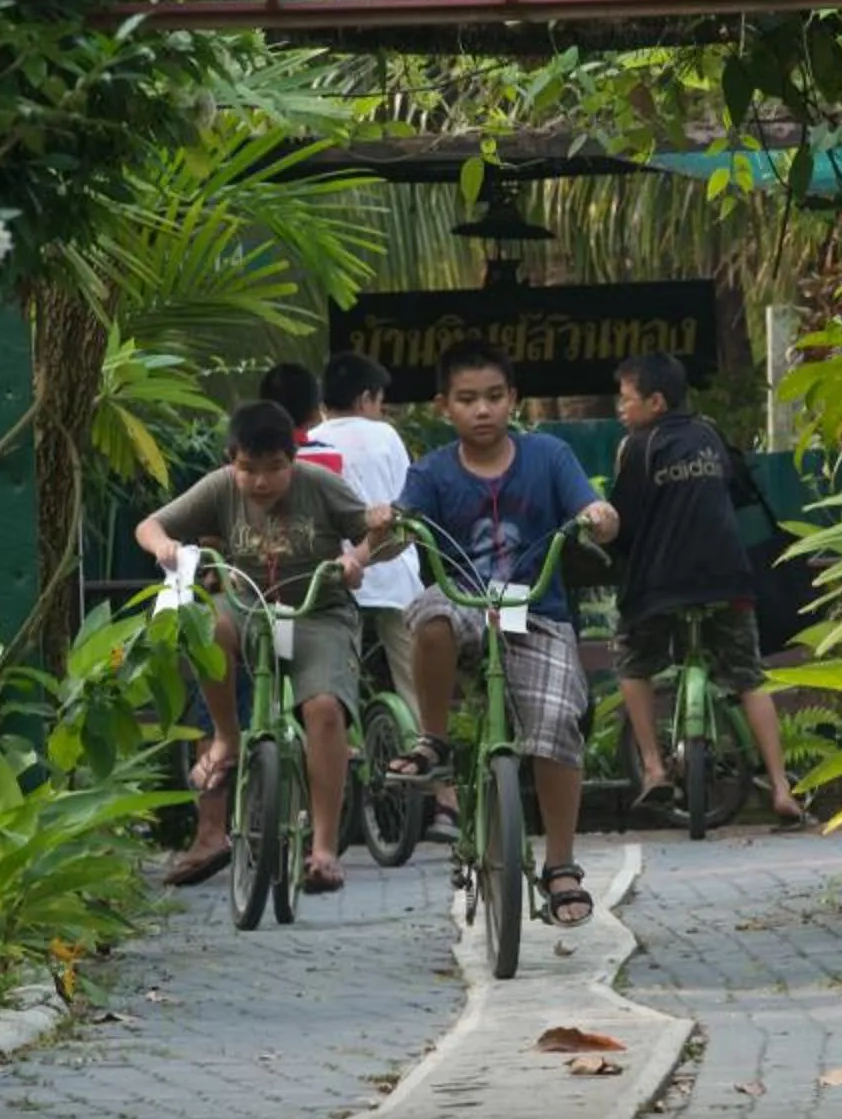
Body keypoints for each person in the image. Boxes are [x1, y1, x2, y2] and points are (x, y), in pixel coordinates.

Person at [392, 341, 619, 927]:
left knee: (554, 725)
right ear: (445, 406)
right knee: (429, 612)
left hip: (534, 612)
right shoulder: (432, 471)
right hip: (465, 602)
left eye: (494, 397)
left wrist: (600, 517)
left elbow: (594, 510)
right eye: (467, 399)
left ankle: (562, 866)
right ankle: (434, 740)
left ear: (513, 399)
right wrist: (377, 531)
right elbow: (396, 527)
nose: (483, 410)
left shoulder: (549, 456)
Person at [135, 400, 389, 893]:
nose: (261, 482)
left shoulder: (322, 486)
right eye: (248, 469)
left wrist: (358, 557)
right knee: (206, 628)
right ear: (233, 460)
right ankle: (228, 738)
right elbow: (149, 525)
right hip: (249, 608)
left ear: (293, 460)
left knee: (324, 711)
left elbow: (385, 536)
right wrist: (163, 546)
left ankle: (324, 848)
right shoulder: (218, 488)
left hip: (319, 611)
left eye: (275, 468)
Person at [609, 353, 807, 825]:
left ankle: (655, 769)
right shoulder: (710, 436)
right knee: (748, 678)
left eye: (626, 399)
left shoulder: (638, 447)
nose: (620, 409)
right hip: (727, 580)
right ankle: (781, 786)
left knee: (634, 664)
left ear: (655, 402)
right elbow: (739, 492)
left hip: (660, 587)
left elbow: (622, 524)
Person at [309, 352, 424, 713]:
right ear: (364, 399)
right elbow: (407, 501)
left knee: (338, 675)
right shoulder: (386, 435)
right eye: (380, 401)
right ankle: (424, 745)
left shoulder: (310, 441)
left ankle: (346, 744)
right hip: (393, 572)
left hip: (335, 575)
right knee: (414, 677)